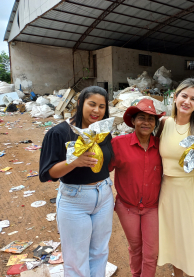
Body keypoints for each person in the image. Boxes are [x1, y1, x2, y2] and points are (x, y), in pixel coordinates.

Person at [39, 86, 114, 277]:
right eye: (92, 104)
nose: (96, 110)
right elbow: (47, 173)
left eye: (102, 106)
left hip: (104, 196)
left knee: (99, 252)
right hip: (75, 200)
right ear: (80, 103)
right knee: (75, 259)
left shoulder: (103, 132)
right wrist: (74, 162)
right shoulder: (59, 132)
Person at [156, 78, 194, 277]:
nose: (187, 102)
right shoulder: (164, 123)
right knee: (174, 238)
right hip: (168, 189)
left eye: (193, 99)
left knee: (190, 237)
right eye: (184, 96)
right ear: (175, 97)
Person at [109, 98, 165, 277]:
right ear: (133, 121)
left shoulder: (160, 146)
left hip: (152, 207)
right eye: (141, 117)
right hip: (126, 207)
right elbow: (102, 171)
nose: (146, 122)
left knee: (151, 252)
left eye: (151, 119)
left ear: (155, 123)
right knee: (135, 247)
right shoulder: (118, 143)